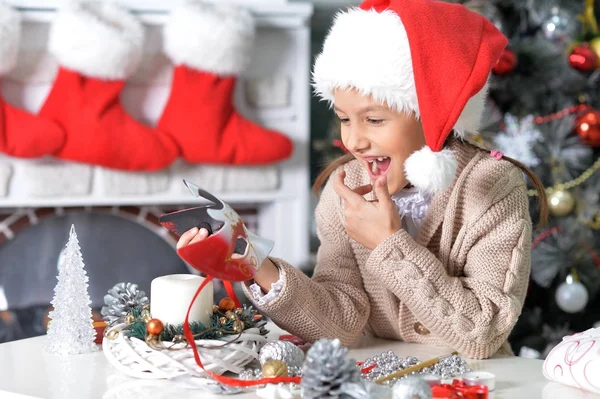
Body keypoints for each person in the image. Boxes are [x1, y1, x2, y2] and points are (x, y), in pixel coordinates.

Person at [177, 0, 548, 360]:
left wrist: (388, 243)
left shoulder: (493, 186)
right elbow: (341, 322)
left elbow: (484, 333)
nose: (354, 141)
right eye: (344, 118)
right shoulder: (344, 191)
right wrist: (256, 264)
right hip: (380, 378)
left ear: (432, 117)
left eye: (374, 120)